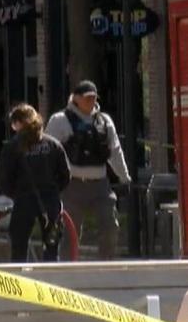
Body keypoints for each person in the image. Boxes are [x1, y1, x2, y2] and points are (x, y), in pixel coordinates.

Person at [45, 80, 131, 260]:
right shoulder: (60, 120)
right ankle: (68, 271)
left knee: (110, 226)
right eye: (87, 98)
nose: (91, 101)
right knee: (70, 234)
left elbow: (115, 151)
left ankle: (105, 267)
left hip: (100, 185)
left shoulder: (104, 121)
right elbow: (49, 153)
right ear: (76, 98)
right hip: (72, 186)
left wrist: (125, 178)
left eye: (94, 98)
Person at [0, 104, 71, 262]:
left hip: (24, 201)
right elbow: (66, 175)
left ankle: (20, 283)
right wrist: (53, 191)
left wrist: (16, 194)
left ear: (18, 123)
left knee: (19, 247)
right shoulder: (53, 145)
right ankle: (50, 282)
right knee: (52, 248)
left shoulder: (12, 147)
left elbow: (4, 179)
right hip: (50, 201)